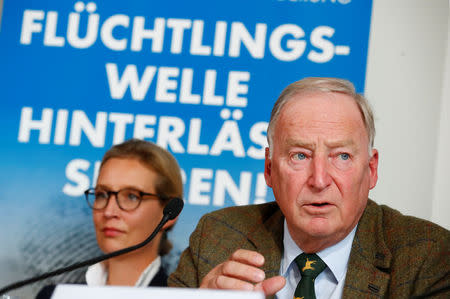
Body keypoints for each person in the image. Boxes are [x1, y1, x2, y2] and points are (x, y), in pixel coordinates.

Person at [168, 77, 450, 298]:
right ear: (269, 170)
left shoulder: (427, 257)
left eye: (342, 156)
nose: (319, 180)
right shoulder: (218, 237)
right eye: (299, 156)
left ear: (371, 170)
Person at [37, 139, 183, 298]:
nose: (108, 211)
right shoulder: (54, 296)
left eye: (132, 197)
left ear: (168, 214)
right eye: (102, 194)